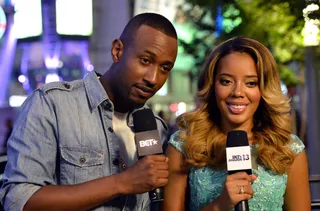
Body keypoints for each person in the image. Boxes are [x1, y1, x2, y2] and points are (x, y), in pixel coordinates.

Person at [0, 13, 178, 211]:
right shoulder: (52, 104)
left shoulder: (155, 127)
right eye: (145, 60)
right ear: (117, 51)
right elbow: (18, 200)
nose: (153, 78)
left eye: (164, 68)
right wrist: (122, 183)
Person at [163, 37, 311, 211]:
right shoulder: (184, 145)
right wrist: (219, 206)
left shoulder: (288, 149)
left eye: (251, 83)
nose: (238, 92)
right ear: (212, 85)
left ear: (263, 88)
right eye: (226, 81)